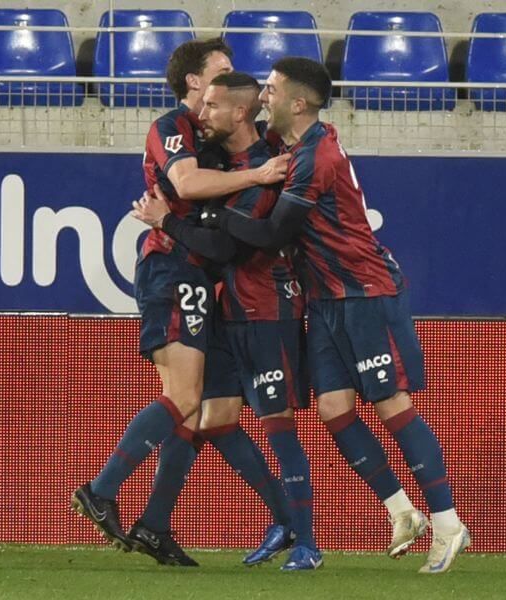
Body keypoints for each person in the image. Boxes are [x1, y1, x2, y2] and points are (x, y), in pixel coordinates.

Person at [199, 57, 471, 574]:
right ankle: (401, 509)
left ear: (297, 103)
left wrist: (218, 217)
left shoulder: (314, 157)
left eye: (273, 91)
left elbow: (274, 233)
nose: (263, 98)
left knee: (391, 403)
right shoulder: (294, 145)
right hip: (323, 298)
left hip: (363, 291)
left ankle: (449, 522)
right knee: (333, 408)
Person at [70, 39, 291, 567]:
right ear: (195, 82)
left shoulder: (227, 138)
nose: (232, 79)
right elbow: (187, 182)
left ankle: (155, 524)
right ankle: (101, 490)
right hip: (174, 267)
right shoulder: (173, 126)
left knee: (214, 413)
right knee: (185, 396)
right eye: (222, 72)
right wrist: (258, 176)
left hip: (207, 278)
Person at [132, 72, 321, 571]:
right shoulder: (228, 164)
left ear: (239, 113)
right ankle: (280, 521)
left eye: (213, 104)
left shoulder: (263, 166)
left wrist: (170, 222)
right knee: (216, 418)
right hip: (230, 308)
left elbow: (225, 246)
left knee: (278, 425)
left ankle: (305, 539)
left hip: (267, 309)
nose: (202, 112)